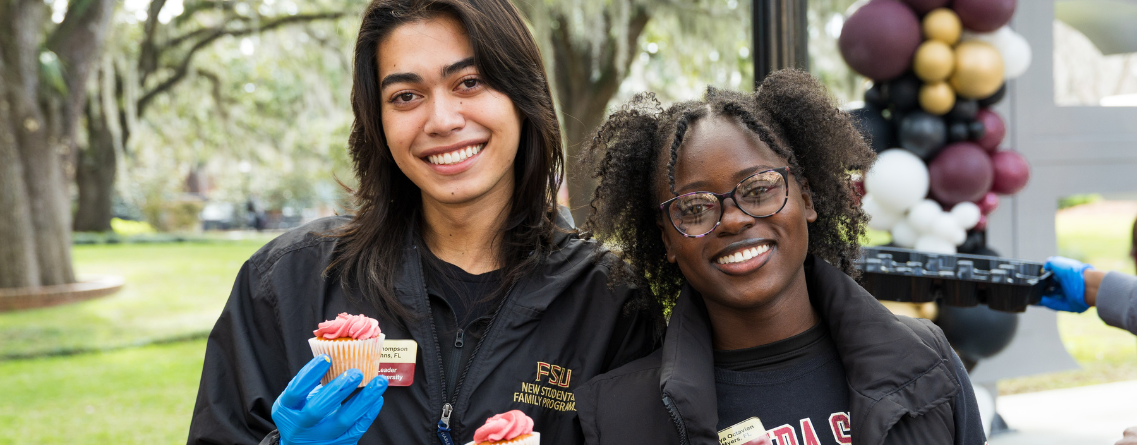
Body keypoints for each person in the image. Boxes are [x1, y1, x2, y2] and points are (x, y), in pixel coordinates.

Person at [186, 1, 659, 444]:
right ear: (377, 120)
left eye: (469, 82)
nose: (441, 120)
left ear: (523, 95)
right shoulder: (286, 283)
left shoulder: (614, 302)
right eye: (406, 95)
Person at [573, 71, 987, 444]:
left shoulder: (927, 360)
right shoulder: (619, 417)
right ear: (666, 239)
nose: (733, 222)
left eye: (757, 189)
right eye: (695, 208)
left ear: (805, 198)